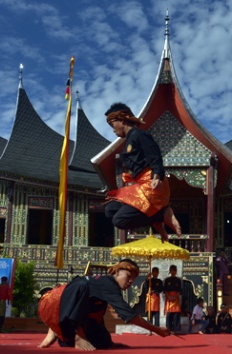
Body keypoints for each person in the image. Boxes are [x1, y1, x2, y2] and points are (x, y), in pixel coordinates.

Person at [37, 259, 171, 350]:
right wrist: (156, 329)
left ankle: (60, 333)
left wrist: (108, 341)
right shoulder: (108, 285)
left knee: (103, 340)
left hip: (70, 315)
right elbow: (128, 314)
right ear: (118, 272)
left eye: (133, 279)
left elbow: (97, 314)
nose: (130, 281)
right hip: (52, 303)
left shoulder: (107, 287)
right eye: (128, 276)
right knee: (81, 286)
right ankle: (73, 334)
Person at [103, 102, 181, 242]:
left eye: (112, 125)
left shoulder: (140, 135)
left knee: (120, 221)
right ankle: (156, 219)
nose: (113, 130)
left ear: (121, 120)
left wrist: (157, 176)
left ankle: (161, 214)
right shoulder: (128, 141)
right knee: (110, 210)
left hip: (151, 183)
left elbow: (155, 155)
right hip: (139, 185)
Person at [163, 264, 182, 332]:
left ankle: (176, 329)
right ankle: (169, 328)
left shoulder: (178, 280)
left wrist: (175, 296)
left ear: (176, 271)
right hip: (169, 298)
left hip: (176, 298)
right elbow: (164, 290)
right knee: (169, 314)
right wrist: (169, 296)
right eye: (171, 270)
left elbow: (180, 290)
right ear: (170, 271)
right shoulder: (167, 280)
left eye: (174, 271)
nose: (173, 272)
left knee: (176, 314)